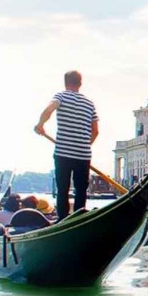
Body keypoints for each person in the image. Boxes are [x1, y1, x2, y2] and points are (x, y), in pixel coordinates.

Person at [35, 70, 99, 220]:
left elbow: (49, 109)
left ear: (65, 83)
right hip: (83, 154)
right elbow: (96, 131)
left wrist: (40, 124)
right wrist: (84, 145)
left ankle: (63, 219)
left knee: (63, 188)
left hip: (63, 152)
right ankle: (79, 218)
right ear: (80, 83)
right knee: (81, 190)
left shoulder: (61, 96)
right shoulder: (89, 103)